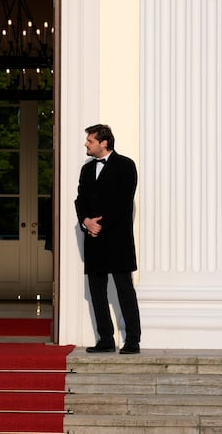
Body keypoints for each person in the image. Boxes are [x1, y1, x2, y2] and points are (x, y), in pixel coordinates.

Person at [74, 124, 141, 354]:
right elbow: (80, 200)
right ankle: (105, 339)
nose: (86, 144)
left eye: (90, 140)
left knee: (125, 290)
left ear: (104, 143)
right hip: (93, 241)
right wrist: (86, 221)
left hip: (117, 239)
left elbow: (124, 203)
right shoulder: (86, 169)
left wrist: (99, 225)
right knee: (97, 291)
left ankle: (132, 340)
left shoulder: (126, 166)